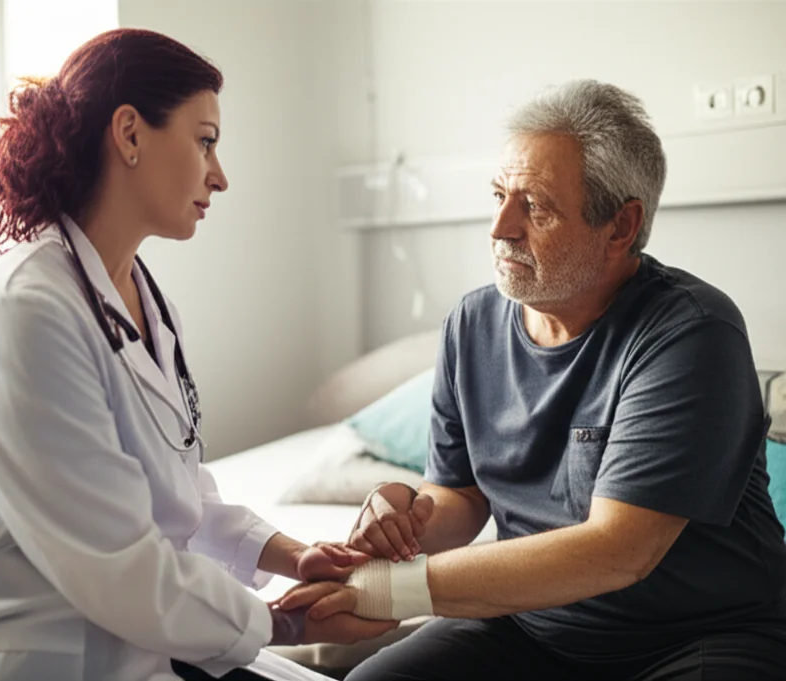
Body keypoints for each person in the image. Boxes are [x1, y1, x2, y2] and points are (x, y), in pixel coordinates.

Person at [0, 28, 396, 681]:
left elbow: (177, 495)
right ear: (130, 133)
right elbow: (113, 558)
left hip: (118, 640)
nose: (220, 176)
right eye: (205, 141)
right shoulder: (26, 311)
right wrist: (285, 621)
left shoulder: (137, 295)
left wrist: (297, 555)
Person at [278, 79, 786, 680]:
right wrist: (406, 521)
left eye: (534, 206)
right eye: (498, 194)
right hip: (530, 621)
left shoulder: (691, 333)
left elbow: (616, 551)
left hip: (695, 636)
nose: (499, 228)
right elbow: (462, 495)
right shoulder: (470, 325)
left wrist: (391, 591)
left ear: (620, 227)